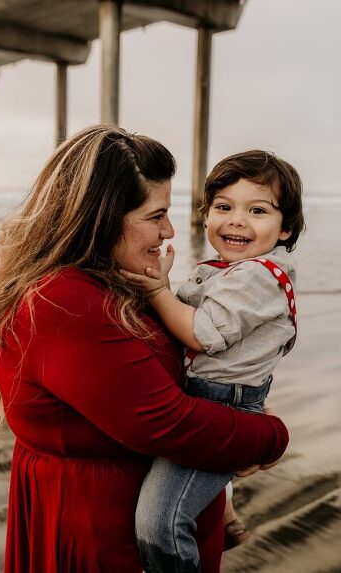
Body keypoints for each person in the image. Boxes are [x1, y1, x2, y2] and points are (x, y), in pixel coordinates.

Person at [0, 125, 290, 572]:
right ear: (102, 217)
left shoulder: (113, 280)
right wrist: (268, 437)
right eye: (156, 216)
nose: (169, 230)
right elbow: (167, 424)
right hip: (104, 538)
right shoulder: (66, 302)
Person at [122, 150, 304, 572]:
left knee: (159, 522)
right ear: (205, 216)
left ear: (286, 228)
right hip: (212, 395)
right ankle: (224, 512)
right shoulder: (229, 271)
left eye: (257, 210)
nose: (237, 220)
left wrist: (157, 292)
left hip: (223, 402)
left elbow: (202, 334)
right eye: (223, 207)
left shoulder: (258, 276)